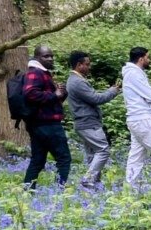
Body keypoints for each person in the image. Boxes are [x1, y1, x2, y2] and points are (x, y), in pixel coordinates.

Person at [66, 50, 120, 188]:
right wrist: (112, 91)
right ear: (79, 65)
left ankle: (94, 186)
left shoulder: (75, 80)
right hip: (88, 123)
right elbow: (96, 98)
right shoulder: (77, 82)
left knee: (92, 154)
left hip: (84, 123)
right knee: (103, 150)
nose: (89, 67)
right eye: (87, 64)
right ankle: (88, 180)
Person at [21, 45, 71, 187]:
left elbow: (46, 99)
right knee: (64, 158)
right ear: (37, 57)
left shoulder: (43, 72)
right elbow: (30, 93)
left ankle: (27, 191)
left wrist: (60, 94)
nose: (50, 59)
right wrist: (53, 94)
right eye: (46, 56)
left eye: (51, 56)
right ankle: (59, 191)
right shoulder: (36, 72)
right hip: (47, 124)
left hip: (39, 123)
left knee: (38, 159)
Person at [123, 46, 151, 184]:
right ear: (141, 58)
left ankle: (130, 185)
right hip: (142, 117)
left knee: (137, 154)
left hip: (136, 118)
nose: (149, 60)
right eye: (148, 57)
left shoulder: (133, 73)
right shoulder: (134, 74)